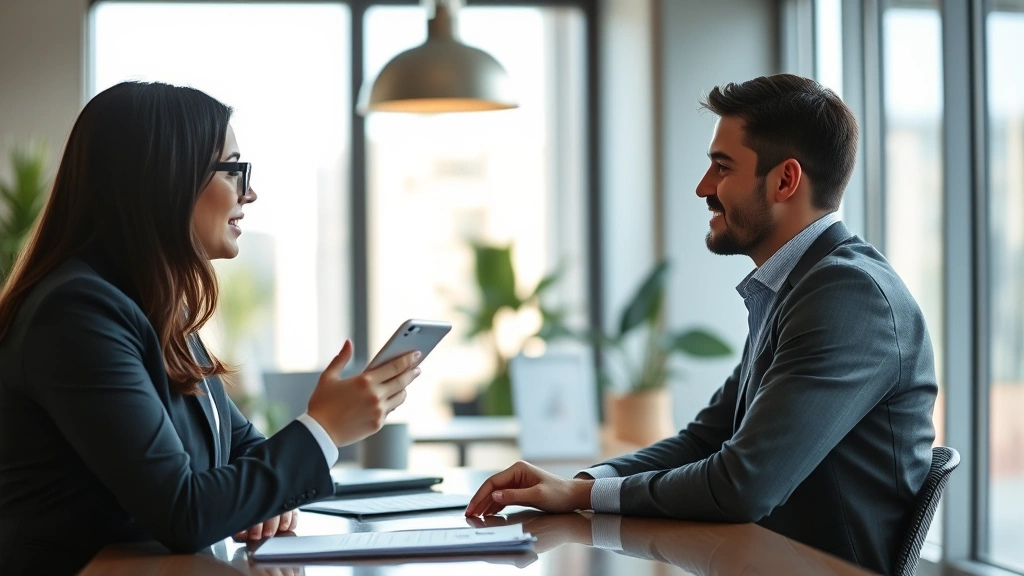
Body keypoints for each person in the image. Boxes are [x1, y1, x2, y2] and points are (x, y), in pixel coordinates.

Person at [465, 73, 938, 576]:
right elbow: (705, 440)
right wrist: (578, 483)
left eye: (722, 167)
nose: (703, 188)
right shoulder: (797, 288)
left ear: (785, 180)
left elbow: (744, 485)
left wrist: (582, 494)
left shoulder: (847, 296)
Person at [0, 81, 421, 575]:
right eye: (234, 169)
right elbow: (185, 512)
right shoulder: (77, 312)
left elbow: (237, 450)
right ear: (164, 178)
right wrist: (324, 428)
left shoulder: (156, 308)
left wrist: (270, 489)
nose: (251, 191)